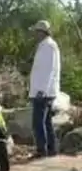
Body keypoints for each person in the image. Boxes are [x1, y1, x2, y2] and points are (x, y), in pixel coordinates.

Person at [29, 20, 61, 158]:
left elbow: (49, 70)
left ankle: (42, 150)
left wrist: (42, 90)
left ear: (42, 32)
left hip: (43, 91)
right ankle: (51, 149)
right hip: (43, 90)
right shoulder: (45, 45)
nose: (35, 34)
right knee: (46, 122)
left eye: (36, 31)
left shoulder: (48, 46)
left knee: (38, 122)